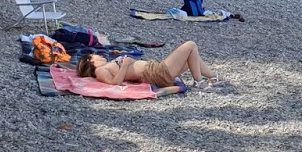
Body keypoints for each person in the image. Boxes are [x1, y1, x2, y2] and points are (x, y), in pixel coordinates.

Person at [76, 41, 214, 90]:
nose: (100, 55)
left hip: (156, 71)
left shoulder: (107, 66)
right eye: (95, 55)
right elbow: (114, 83)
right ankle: (199, 82)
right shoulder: (100, 70)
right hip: (156, 73)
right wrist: (125, 64)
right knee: (190, 45)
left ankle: (214, 77)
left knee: (191, 56)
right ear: (90, 61)